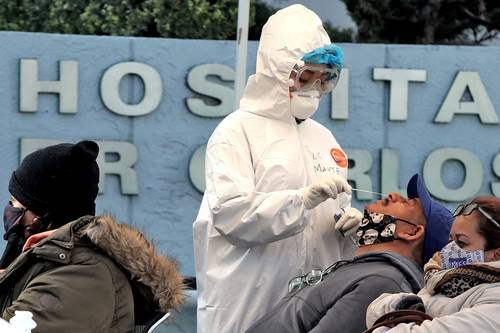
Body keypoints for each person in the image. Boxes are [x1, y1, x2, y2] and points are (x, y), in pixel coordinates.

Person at [193, 4, 364, 333]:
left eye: (323, 78)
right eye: (306, 76)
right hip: (247, 302)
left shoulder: (324, 138)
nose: (313, 87)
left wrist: (348, 232)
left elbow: (323, 228)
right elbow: (231, 214)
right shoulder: (237, 132)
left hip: (312, 308)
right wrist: (301, 200)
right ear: (279, 69)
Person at [0, 141, 184, 332]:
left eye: (17, 203)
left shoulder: (85, 274)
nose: (10, 210)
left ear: (43, 214)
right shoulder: (50, 263)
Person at [245, 174, 453, 333]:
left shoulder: (383, 283)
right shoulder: (371, 271)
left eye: (407, 203)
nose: (392, 195)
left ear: (411, 232)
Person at [365, 196, 500, 333]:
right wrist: (400, 305)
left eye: (462, 243)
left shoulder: (495, 299)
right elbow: (373, 312)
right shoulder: (440, 281)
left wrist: (395, 318)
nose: (450, 248)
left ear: (497, 254)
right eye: (450, 240)